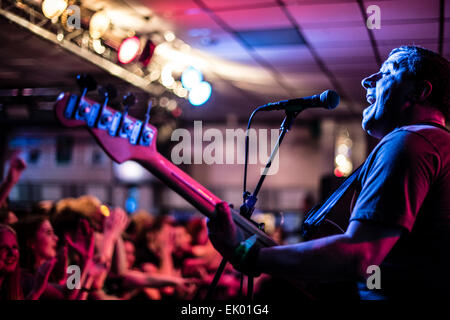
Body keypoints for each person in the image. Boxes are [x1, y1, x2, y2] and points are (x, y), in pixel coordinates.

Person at [207, 45, 450, 300]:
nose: (367, 81)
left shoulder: (411, 141)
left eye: (387, 72)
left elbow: (360, 255)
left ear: (419, 91)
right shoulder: (436, 145)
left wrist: (248, 255)